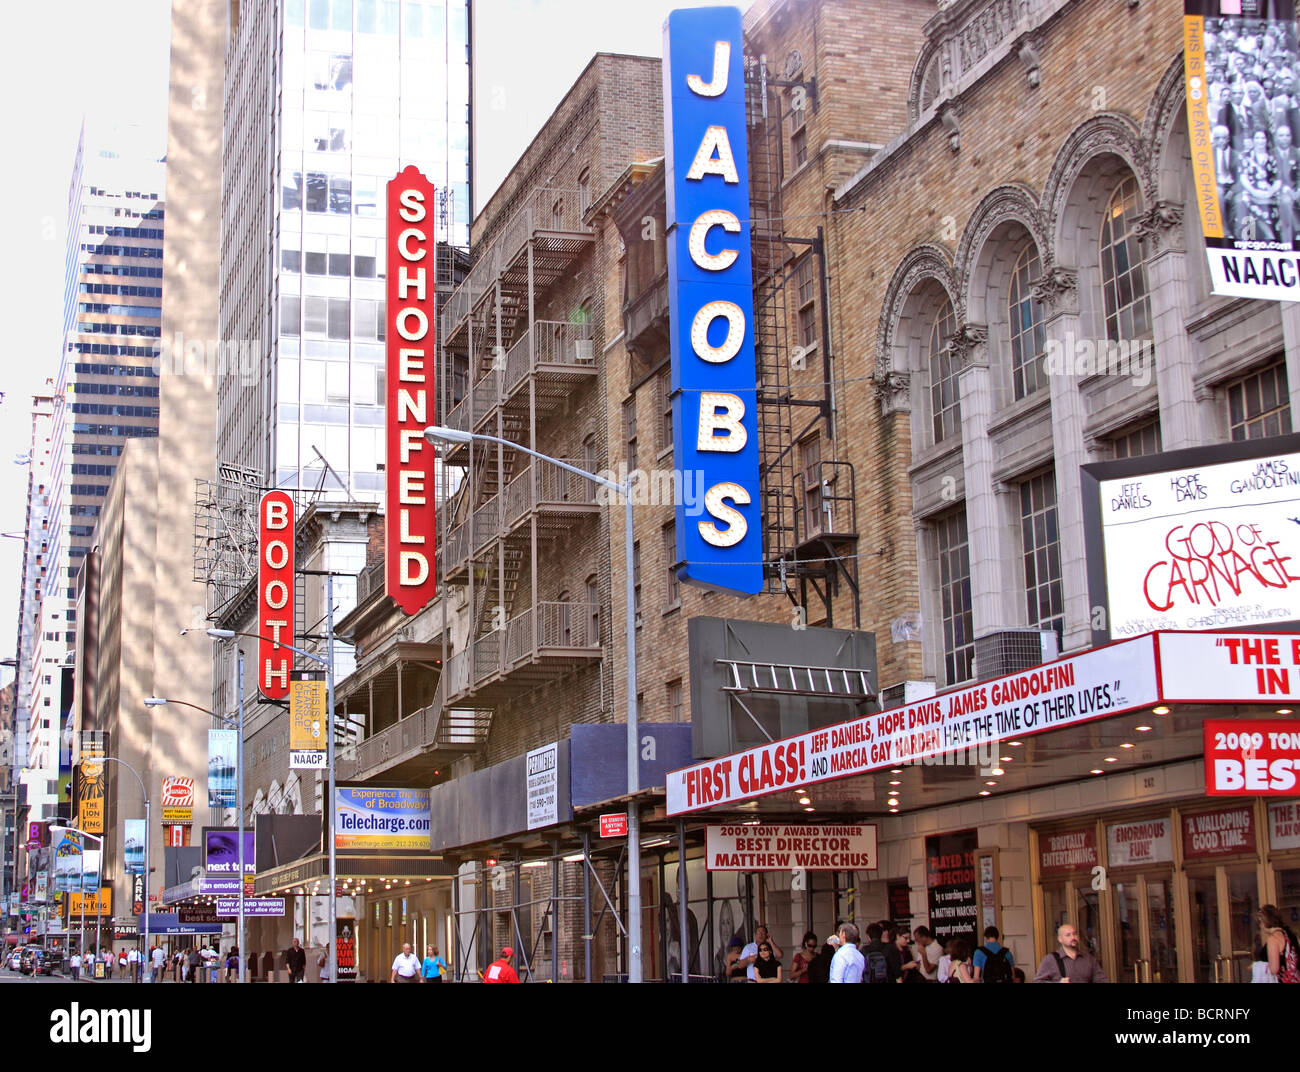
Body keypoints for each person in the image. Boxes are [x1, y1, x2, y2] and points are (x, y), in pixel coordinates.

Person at [1033, 923, 1108, 983]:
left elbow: (1101, 980)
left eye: (1074, 934)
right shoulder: (1050, 959)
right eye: (1068, 935)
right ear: (1060, 939)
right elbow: (1037, 981)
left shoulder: (1089, 959)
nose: (1073, 937)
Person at [1259, 904, 1300, 983]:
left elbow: (1274, 969)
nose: (1260, 926)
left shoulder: (1273, 939)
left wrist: (1257, 967)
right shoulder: (1290, 935)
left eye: (1260, 922)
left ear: (1265, 921)